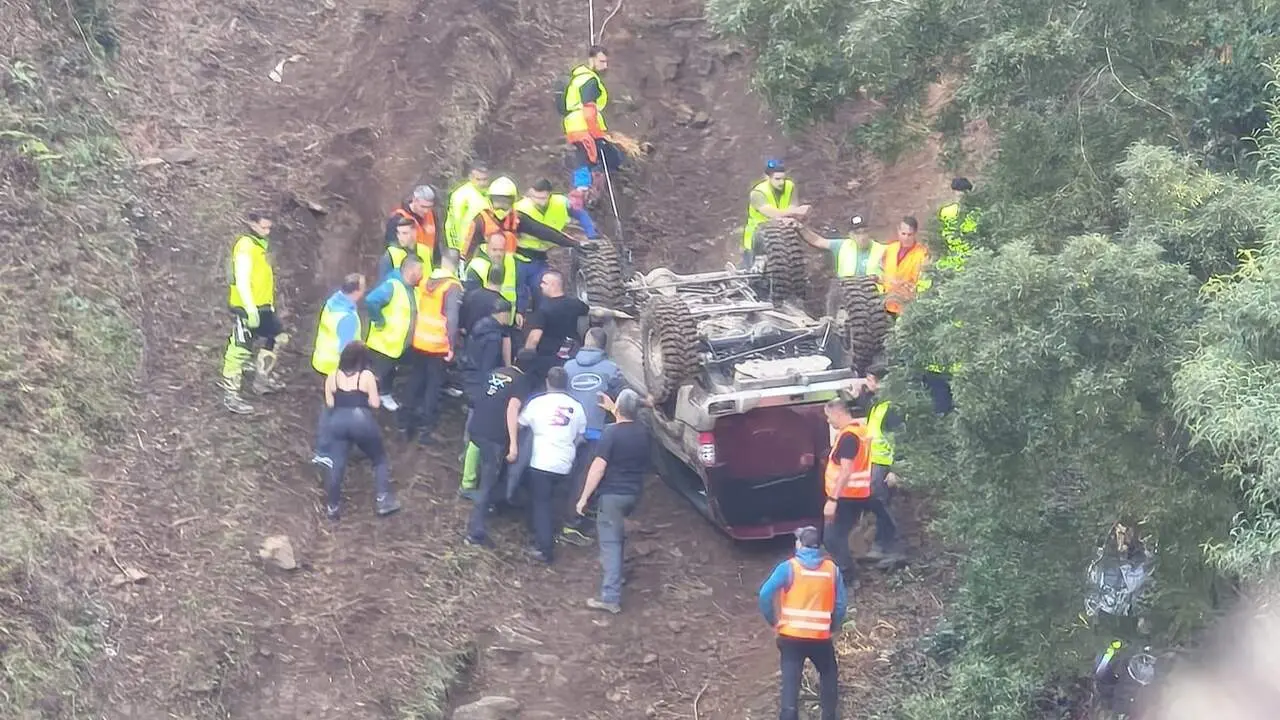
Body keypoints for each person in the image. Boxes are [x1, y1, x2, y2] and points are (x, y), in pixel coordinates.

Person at [757, 525, 847, 720]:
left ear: (799, 544)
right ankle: (829, 715)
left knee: (790, 685)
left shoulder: (788, 567)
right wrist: (832, 625)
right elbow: (840, 605)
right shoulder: (832, 570)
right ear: (818, 546)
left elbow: (764, 594)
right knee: (828, 673)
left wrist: (774, 621)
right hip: (820, 638)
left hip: (791, 638)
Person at [576, 389, 652, 613]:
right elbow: (626, 418)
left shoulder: (610, 433)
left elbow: (598, 468)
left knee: (609, 544)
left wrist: (583, 498)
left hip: (611, 496)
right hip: (632, 495)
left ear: (618, 408)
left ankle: (610, 597)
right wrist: (615, 408)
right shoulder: (643, 431)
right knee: (617, 537)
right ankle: (616, 577)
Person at [464, 350, 536, 546]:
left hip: (476, 428)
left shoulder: (496, 371)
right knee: (488, 481)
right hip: (494, 437)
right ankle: (475, 532)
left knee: (491, 472)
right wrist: (513, 444)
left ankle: (490, 505)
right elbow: (512, 410)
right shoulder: (521, 382)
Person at [322, 341, 401, 520]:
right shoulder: (366, 376)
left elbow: (330, 403)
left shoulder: (332, 376)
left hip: (338, 422)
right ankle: (383, 500)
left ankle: (332, 507)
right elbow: (375, 403)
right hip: (361, 420)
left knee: (338, 465)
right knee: (379, 458)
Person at [560, 327, 624, 544]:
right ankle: (573, 523)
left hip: (568, 430)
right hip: (596, 432)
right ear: (604, 346)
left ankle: (569, 515)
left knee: (570, 474)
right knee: (586, 477)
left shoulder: (567, 366)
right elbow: (620, 399)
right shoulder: (611, 369)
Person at [220, 211, 288, 414]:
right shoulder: (245, 246)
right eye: (264, 227)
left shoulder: (259, 246)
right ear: (252, 224)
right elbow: (241, 280)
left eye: (269, 227)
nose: (267, 231)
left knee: (278, 337)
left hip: (262, 306)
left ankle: (261, 379)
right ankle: (231, 395)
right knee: (240, 348)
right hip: (247, 307)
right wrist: (249, 309)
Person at [517, 367, 586, 563]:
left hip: (542, 461)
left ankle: (544, 549)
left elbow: (519, 424)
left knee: (541, 504)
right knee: (553, 500)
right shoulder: (577, 406)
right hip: (565, 462)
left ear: (548, 382)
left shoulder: (537, 403)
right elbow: (580, 435)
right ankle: (549, 531)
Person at [402, 249, 463, 445]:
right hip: (437, 344)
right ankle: (425, 430)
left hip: (420, 340)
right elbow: (452, 318)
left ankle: (404, 423)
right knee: (433, 386)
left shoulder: (426, 280)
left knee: (416, 379)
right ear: (457, 264)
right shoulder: (452, 286)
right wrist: (452, 345)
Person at [457, 297, 515, 498]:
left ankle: (465, 458)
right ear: (504, 314)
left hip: (469, 379)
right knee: (477, 425)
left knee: (472, 423)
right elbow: (489, 367)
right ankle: (469, 470)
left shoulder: (481, 326)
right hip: (480, 384)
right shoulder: (493, 338)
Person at [513, 177, 600, 312]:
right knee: (518, 293)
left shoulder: (561, 202)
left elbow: (581, 214)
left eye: (543, 198)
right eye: (536, 197)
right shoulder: (520, 208)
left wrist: (591, 235)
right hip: (519, 255)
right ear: (530, 193)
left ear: (550, 195)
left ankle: (541, 322)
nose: (540, 202)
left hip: (541, 257)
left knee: (542, 292)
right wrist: (573, 243)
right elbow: (542, 231)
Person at [458, 176, 581, 270]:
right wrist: (462, 272)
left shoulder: (517, 218)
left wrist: (574, 244)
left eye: (505, 202)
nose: (501, 207)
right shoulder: (481, 220)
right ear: (490, 200)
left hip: (511, 267)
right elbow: (468, 248)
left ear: (512, 201)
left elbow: (544, 231)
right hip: (485, 267)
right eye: (497, 202)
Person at [310, 273, 366, 467]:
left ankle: (346, 445)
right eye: (363, 286)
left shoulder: (333, 302)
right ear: (357, 291)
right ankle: (325, 451)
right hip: (337, 370)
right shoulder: (347, 317)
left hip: (323, 363)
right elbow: (346, 351)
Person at [820, 396, 875, 588]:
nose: (828, 420)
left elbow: (846, 470)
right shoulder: (859, 431)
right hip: (855, 494)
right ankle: (847, 575)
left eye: (829, 416)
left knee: (832, 538)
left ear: (838, 413)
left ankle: (848, 578)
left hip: (845, 496)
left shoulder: (849, 437)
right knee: (838, 536)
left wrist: (832, 499)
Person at [561, 46, 624, 209]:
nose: (605, 66)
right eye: (602, 61)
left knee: (584, 159)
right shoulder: (590, 80)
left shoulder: (577, 78)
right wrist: (599, 135)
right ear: (592, 60)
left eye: (606, 62)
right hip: (585, 127)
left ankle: (584, 193)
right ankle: (584, 196)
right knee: (604, 159)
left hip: (574, 126)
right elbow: (589, 112)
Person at [858, 365, 906, 565]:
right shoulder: (878, 404)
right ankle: (881, 546)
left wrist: (897, 470)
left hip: (885, 465)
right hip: (876, 462)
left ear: (878, 381)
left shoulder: (891, 408)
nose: (866, 384)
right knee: (878, 505)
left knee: (884, 506)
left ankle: (894, 549)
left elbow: (900, 439)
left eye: (869, 380)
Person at [364, 255, 423, 412]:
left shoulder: (413, 290)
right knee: (378, 374)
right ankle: (365, 401)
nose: (422, 274)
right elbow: (371, 300)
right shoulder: (392, 286)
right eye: (420, 270)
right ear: (410, 271)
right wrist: (379, 320)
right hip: (383, 344)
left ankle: (384, 394)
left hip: (397, 345)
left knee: (389, 372)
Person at [522, 270, 589, 385]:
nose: (540, 286)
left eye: (544, 283)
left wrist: (525, 356)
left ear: (553, 285)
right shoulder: (575, 305)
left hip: (546, 361)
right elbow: (586, 309)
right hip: (570, 357)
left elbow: (534, 338)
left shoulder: (543, 310)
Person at [742, 159, 811, 268]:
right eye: (777, 179)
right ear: (767, 177)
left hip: (783, 238)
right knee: (755, 275)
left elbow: (792, 206)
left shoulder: (789, 186)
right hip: (757, 239)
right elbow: (772, 213)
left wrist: (792, 214)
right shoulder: (758, 192)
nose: (781, 182)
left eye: (783, 178)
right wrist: (796, 212)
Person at [790, 215, 886, 281]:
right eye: (857, 233)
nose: (862, 237)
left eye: (865, 231)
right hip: (847, 297)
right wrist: (800, 227)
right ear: (850, 235)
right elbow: (818, 241)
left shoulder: (884, 250)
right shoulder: (842, 246)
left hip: (874, 299)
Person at [464, 234, 519, 329]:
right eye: (494, 250)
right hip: (482, 323)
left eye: (501, 250)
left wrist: (520, 311)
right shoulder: (476, 265)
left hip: (507, 322)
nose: (498, 254)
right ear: (487, 248)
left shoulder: (510, 261)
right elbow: (471, 300)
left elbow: (519, 287)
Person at [881, 215, 930, 316]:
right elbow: (881, 270)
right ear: (898, 231)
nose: (906, 237)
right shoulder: (890, 249)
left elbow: (924, 280)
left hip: (907, 307)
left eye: (909, 234)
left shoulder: (922, 253)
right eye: (903, 233)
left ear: (915, 233)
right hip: (885, 303)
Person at [385, 185, 442, 270]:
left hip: (428, 268)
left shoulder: (432, 216)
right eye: (423, 206)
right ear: (414, 200)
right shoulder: (398, 218)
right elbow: (391, 248)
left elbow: (436, 245)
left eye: (429, 207)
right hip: (406, 270)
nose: (426, 211)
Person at [935, 176, 979, 273]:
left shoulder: (945, 211)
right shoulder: (974, 211)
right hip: (959, 255)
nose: (960, 195)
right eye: (959, 192)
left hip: (960, 256)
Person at [445, 162, 489, 251]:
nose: (482, 183)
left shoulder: (491, 193)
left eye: (485, 179)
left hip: (486, 246)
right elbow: (452, 223)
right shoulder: (461, 195)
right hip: (465, 246)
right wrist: (455, 248)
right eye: (478, 179)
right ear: (470, 177)